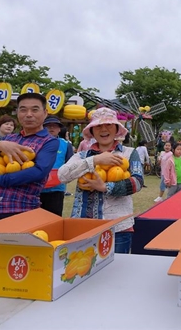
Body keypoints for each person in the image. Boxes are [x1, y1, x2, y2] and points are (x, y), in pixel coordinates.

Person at [58, 108, 144, 254]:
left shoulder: (129, 153)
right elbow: (62, 175)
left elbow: (137, 182)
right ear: (91, 131)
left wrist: (105, 187)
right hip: (84, 226)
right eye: (98, 126)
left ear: (117, 128)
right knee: (84, 269)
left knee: (115, 273)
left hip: (119, 228)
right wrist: (95, 160)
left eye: (109, 124)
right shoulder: (82, 156)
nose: (104, 129)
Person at [0, 93, 59, 223]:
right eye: (23, 110)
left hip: (20, 208)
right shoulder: (9, 139)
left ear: (45, 113)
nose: (28, 114)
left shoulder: (49, 141)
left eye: (35, 110)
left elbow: (38, 172)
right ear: (17, 113)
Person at [40, 116, 74, 216]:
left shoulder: (65, 144)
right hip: (37, 187)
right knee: (36, 218)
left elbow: (70, 164)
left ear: (59, 129)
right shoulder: (36, 142)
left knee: (54, 217)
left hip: (57, 187)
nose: (52, 128)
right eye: (48, 126)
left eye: (55, 126)